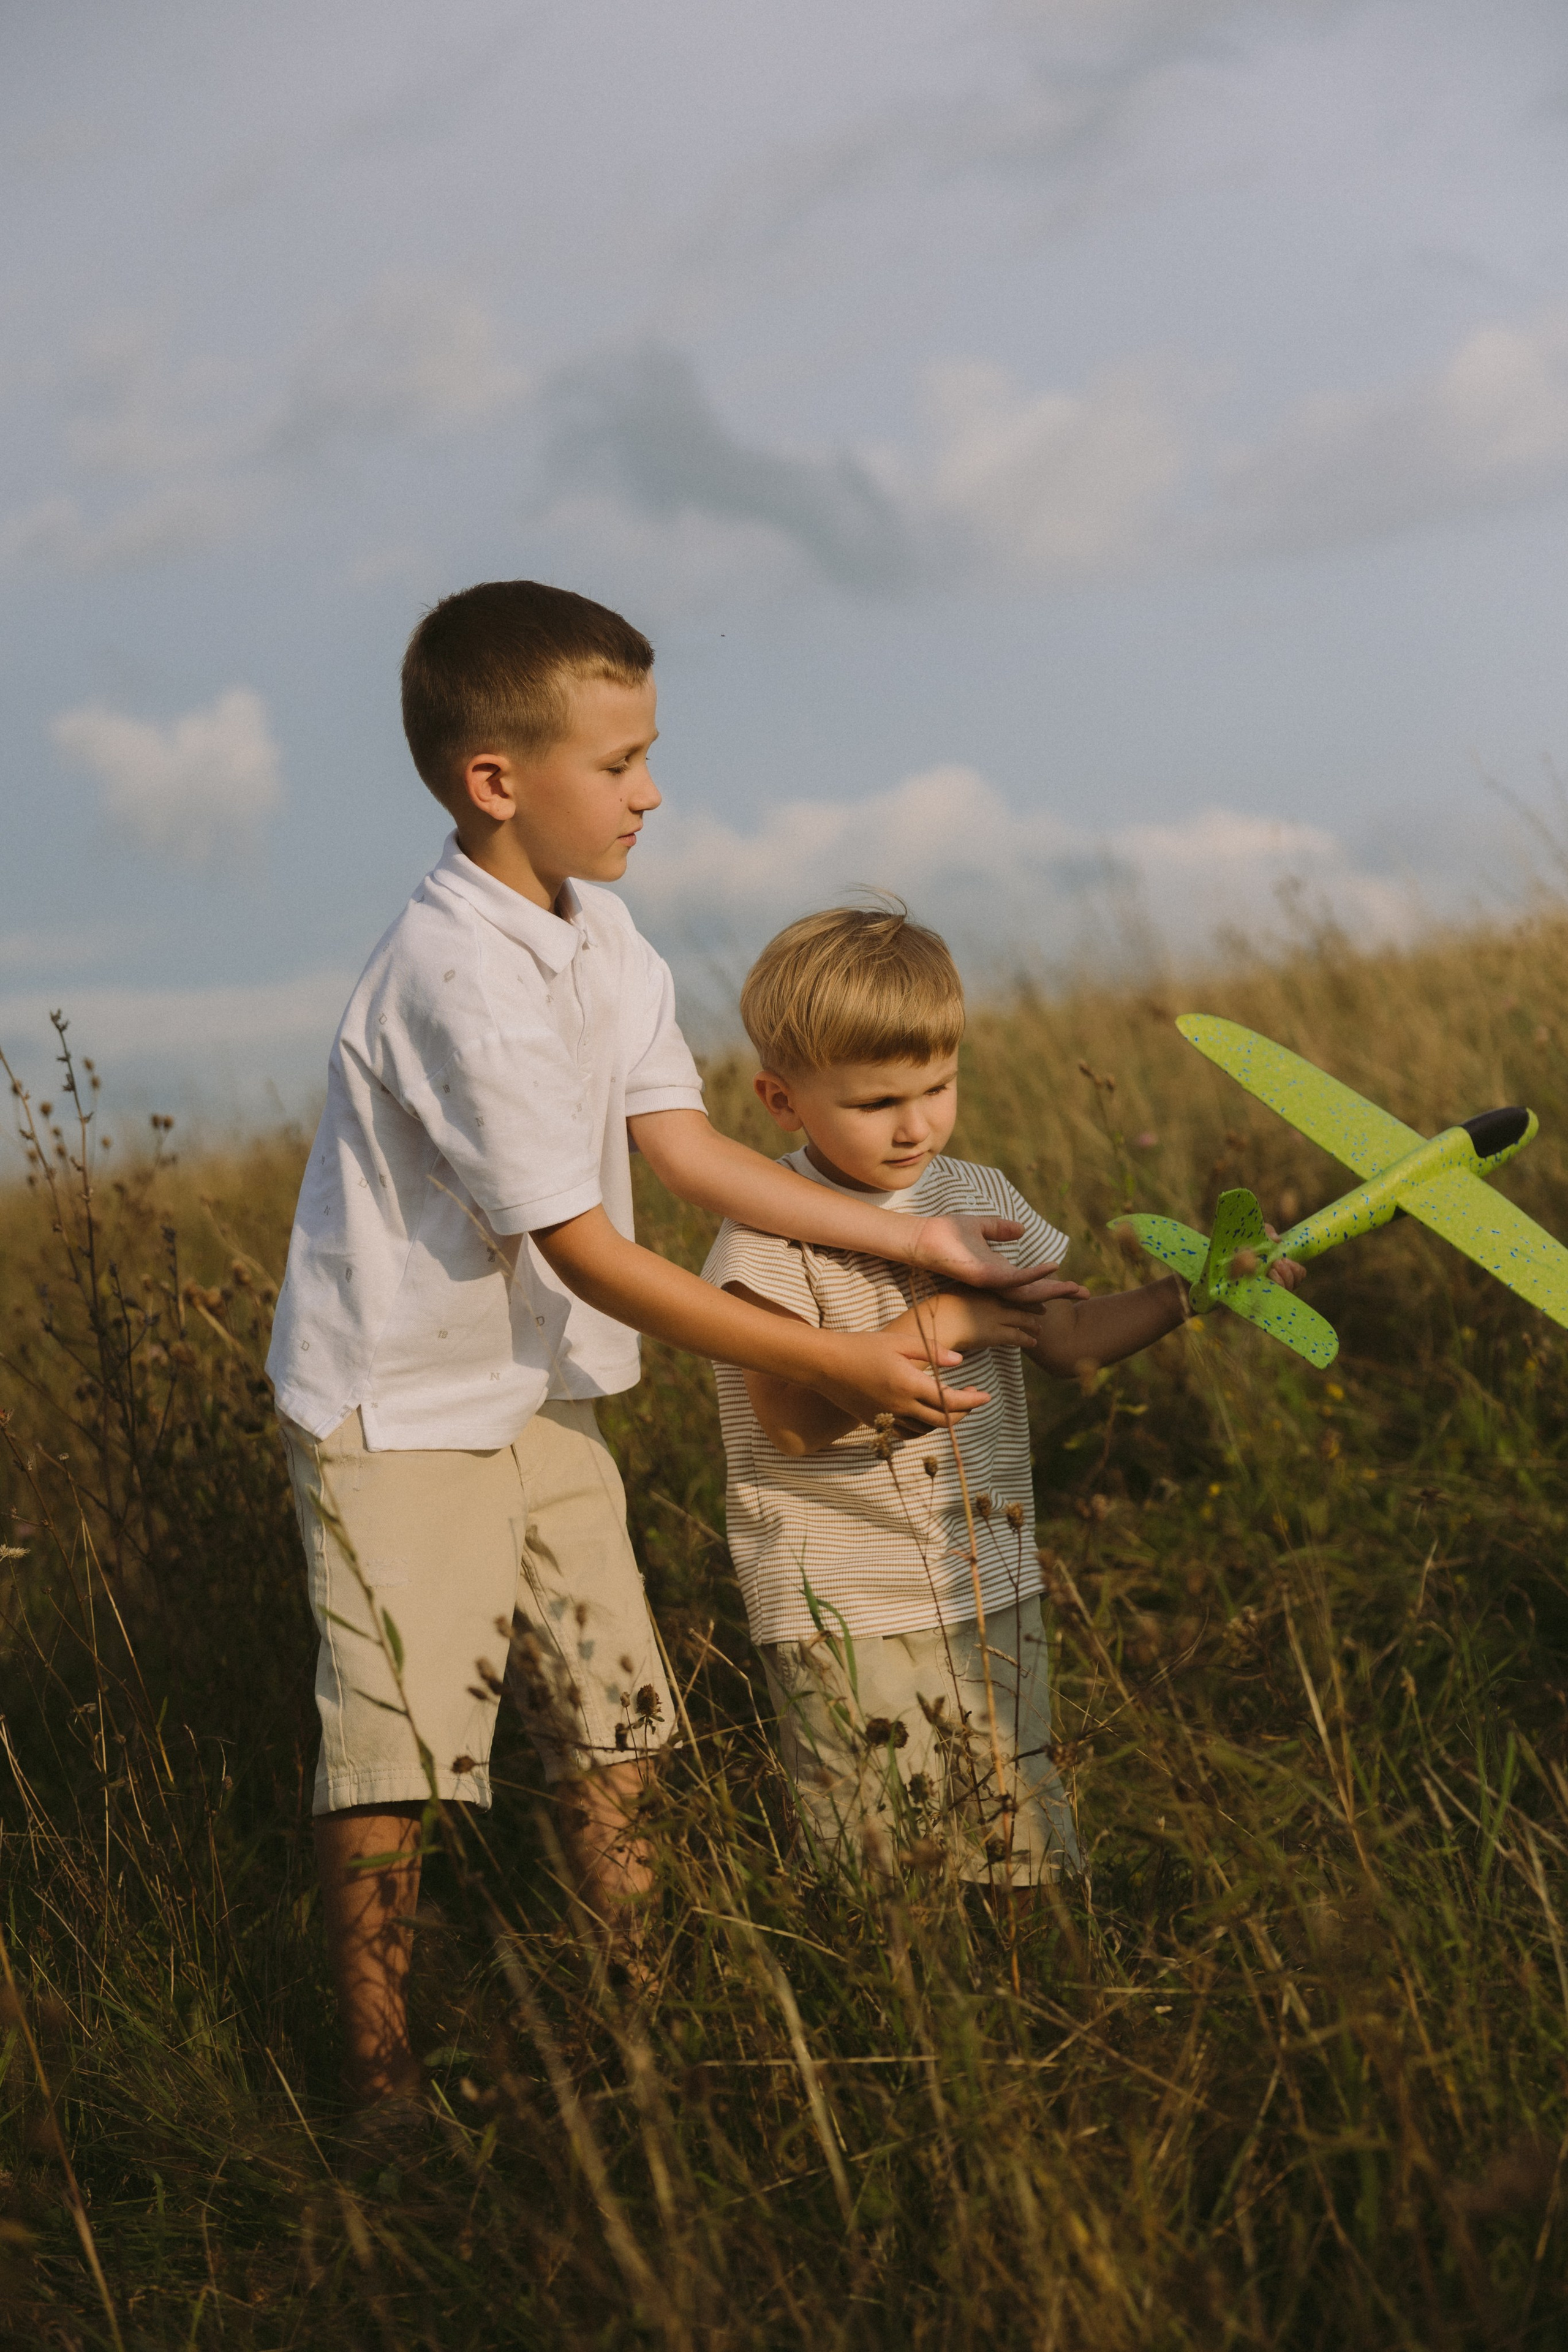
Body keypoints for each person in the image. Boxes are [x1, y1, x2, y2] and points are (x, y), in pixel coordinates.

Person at [266, 581, 1067, 2122]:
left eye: (649, 754)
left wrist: (916, 1239)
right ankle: (382, 2087)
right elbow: (589, 1249)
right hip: (400, 1401)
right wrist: (831, 1364)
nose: (652, 791)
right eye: (619, 763)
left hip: (540, 1386)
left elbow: (682, 1150)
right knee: (402, 1742)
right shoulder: (456, 976)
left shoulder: (606, 936)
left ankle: (630, 2034)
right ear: (496, 783)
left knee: (612, 1707)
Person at [701, 906, 1302, 1887]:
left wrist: (1194, 1288)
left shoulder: (974, 1191)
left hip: (988, 1573)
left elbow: (1063, 1339)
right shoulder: (765, 1235)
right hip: (840, 1599)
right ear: (782, 1100)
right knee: (886, 1853)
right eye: (875, 1102)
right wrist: (943, 1329)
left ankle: (1039, 1988)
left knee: (1019, 1827)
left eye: (938, 1084)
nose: (915, 1124)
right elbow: (790, 1423)